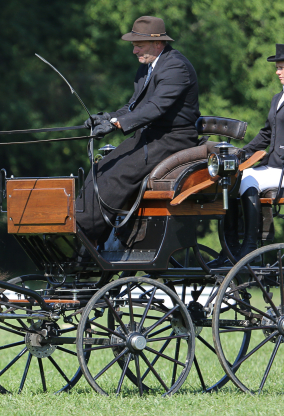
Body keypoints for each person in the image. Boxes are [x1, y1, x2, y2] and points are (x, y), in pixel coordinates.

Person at [77, 15, 200, 247]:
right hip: (150, 136)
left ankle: (85, 233)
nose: (134, 51)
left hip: (174, 139)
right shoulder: (147, 68)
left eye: (138, 45)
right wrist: (107, 117)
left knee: (118, 175)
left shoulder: (176, 67)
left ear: (158, 43)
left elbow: (155, 108)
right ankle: (94, 236)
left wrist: (117, 125)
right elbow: (134, 107)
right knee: (100, 169)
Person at [219, 43, 284, 264]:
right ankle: (229, 248)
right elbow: (266, 133)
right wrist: (243, 153)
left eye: (281, 67)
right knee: (231, 179)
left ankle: (249, 247)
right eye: (276, 68)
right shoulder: (278, 98)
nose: (277, 72)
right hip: (275, 166)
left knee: (248, 179)